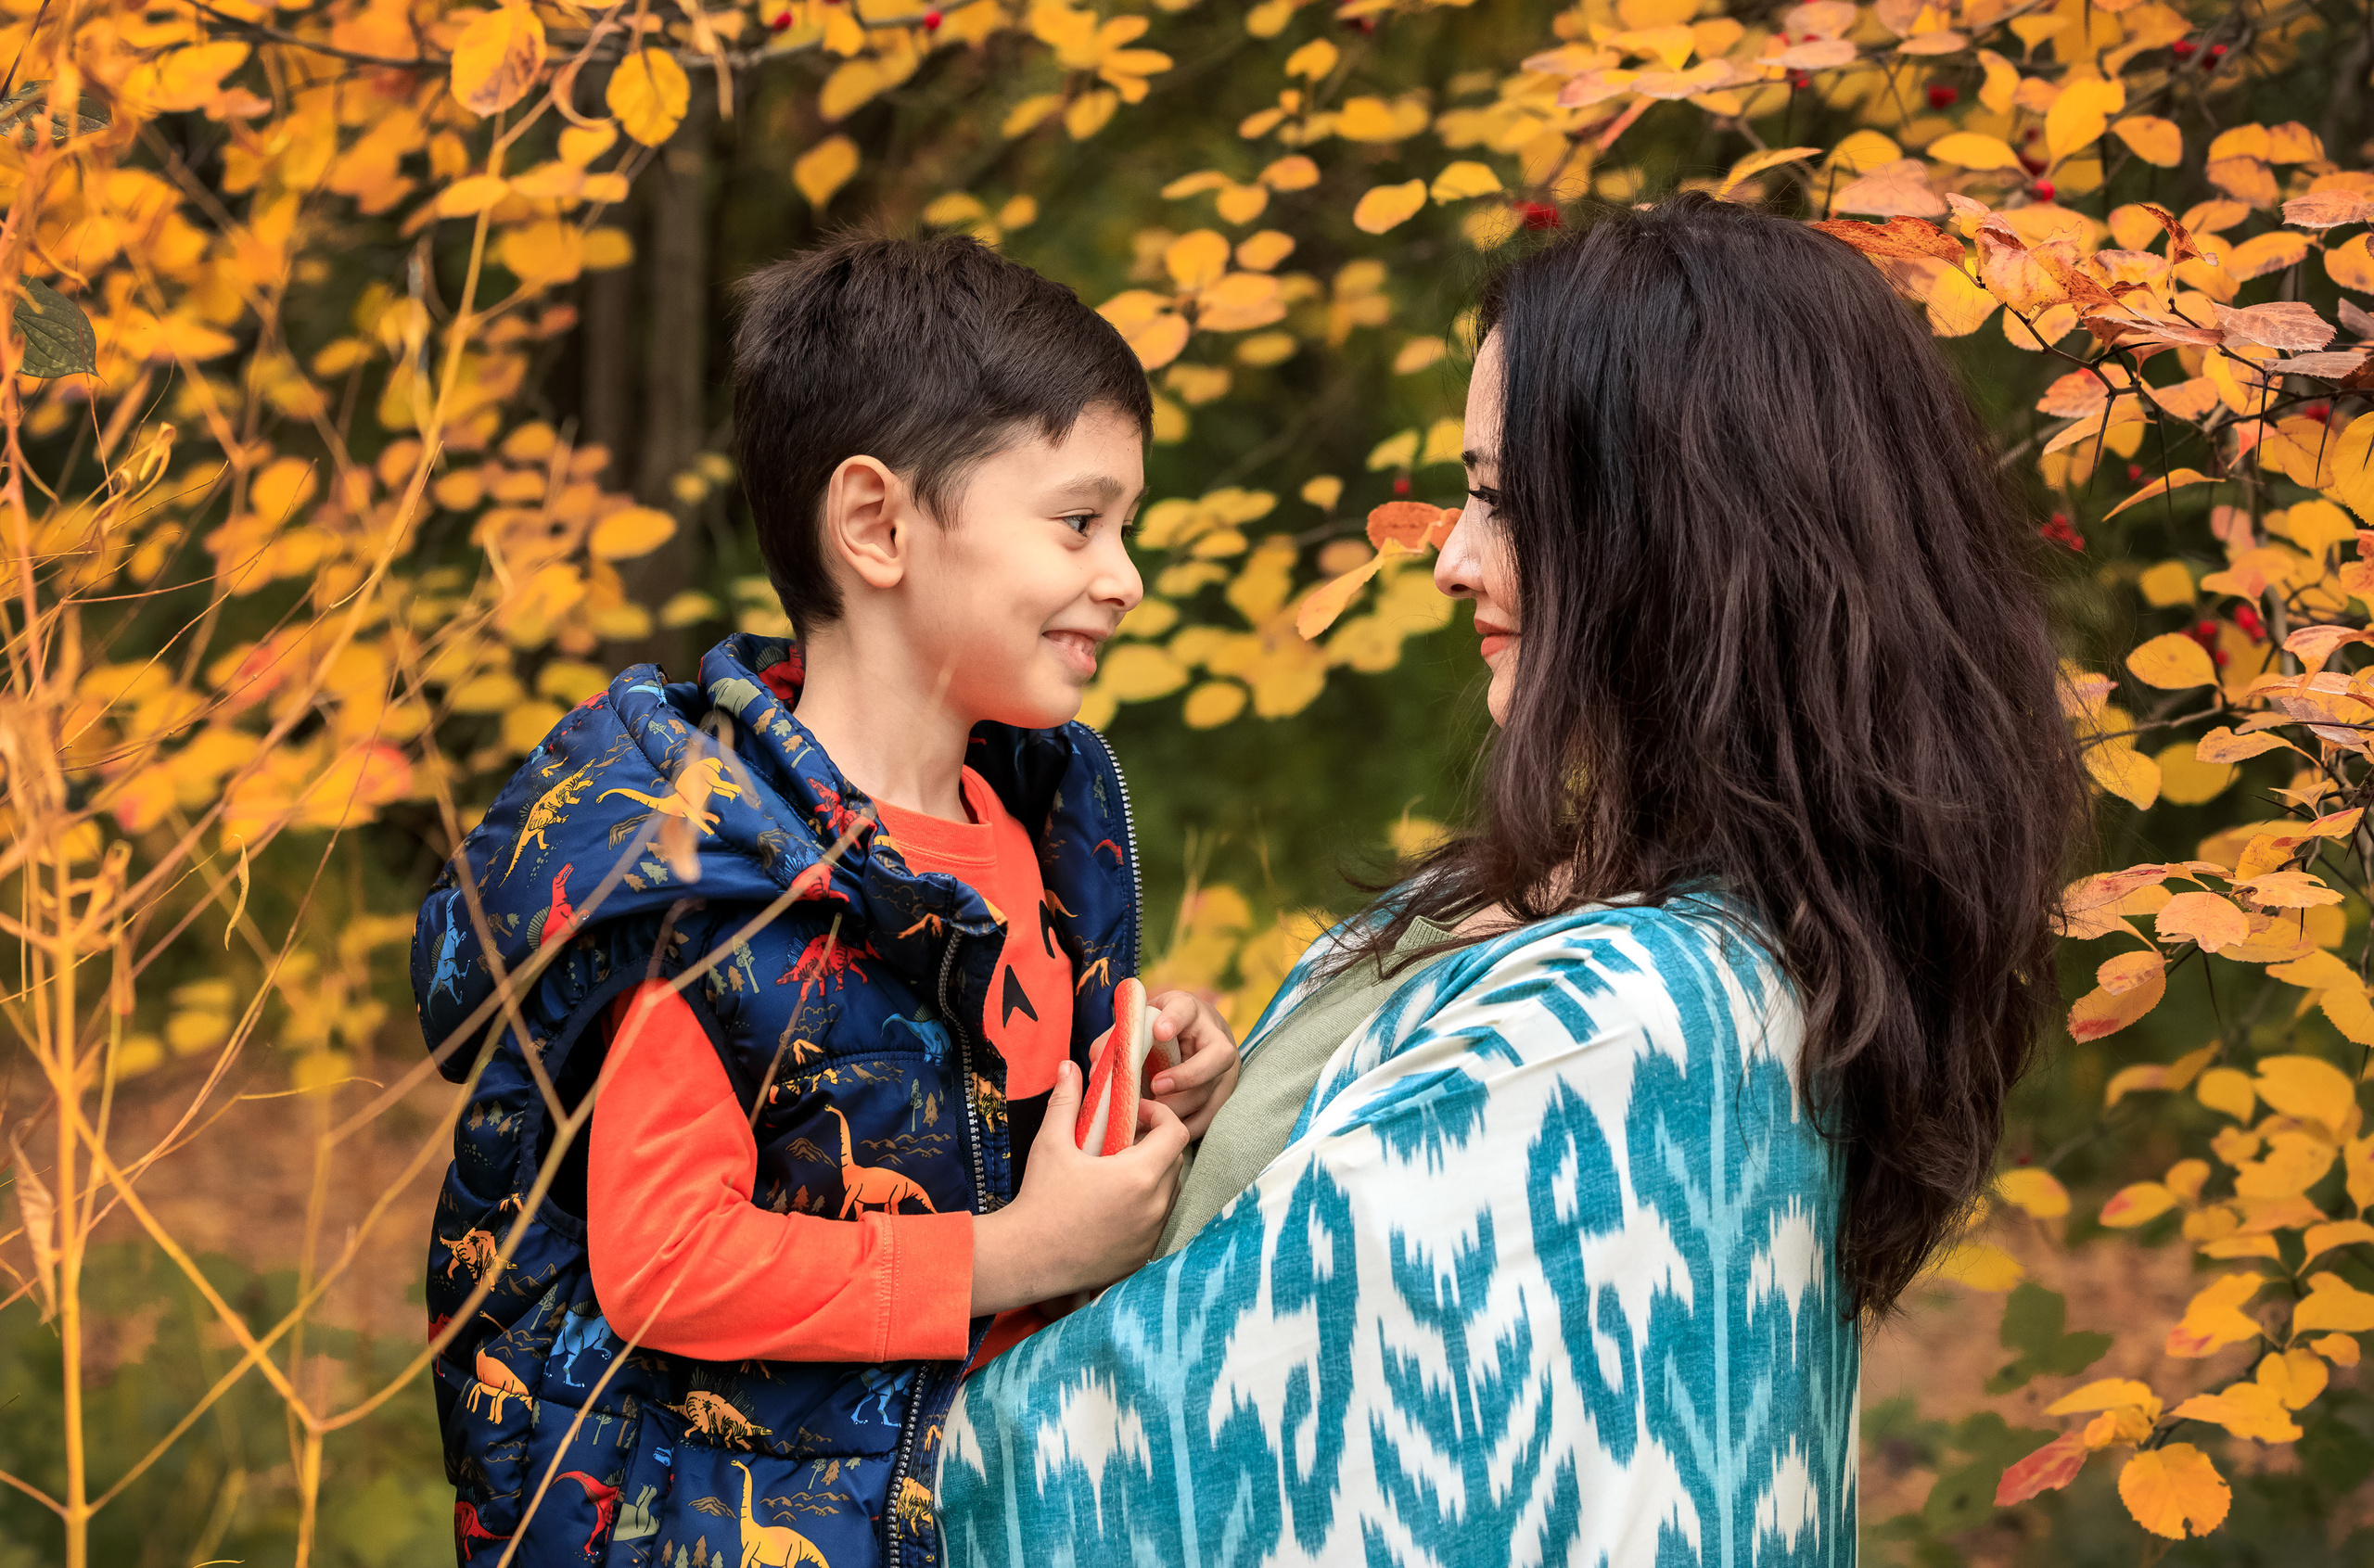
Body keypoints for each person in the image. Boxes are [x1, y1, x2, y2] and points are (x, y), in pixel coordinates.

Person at [937, 193, 2087, 1564]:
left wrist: (773, 1386)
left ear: (1676, 532)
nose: (1452, 559)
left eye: (1500, 498)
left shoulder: (1624, 1024)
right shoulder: (1630, 912)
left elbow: (1112, 1459)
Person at [410, 233, 1240, 1568]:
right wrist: (1016, 1253)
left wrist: (1132, 1070)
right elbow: (665, 1263)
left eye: (1126, 527)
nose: (1125, 575)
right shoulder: (712, 882)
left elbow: (985, 1117)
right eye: (1080, 522)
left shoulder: (1036, 826)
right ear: (877, 526)